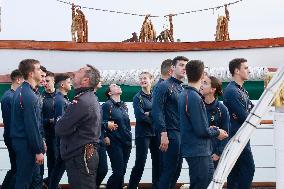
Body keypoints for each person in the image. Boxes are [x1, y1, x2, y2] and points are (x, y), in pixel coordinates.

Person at [178, 60, 228, 189]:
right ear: (201, 76)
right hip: (199, 151)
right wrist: (217, 132)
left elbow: (195, 125)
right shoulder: (194, 97)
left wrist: (209, 129)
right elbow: (201, 130)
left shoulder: (184, 94)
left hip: (195, 150)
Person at [55, 65, 101, 189]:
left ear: (85, 80)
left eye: (79, 71)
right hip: (82, 154)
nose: (74, 72)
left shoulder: (82, 102)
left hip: (80, 156)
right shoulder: (88, 98)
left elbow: (60, 128)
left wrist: (60, 120)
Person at [152, 56, 188, 189]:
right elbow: (157, 110)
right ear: (173, 68)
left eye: (186, 65)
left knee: (176, 171)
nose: (184, 68)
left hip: (180, 133)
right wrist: (163, 133)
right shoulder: (163, 86)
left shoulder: (181, 88)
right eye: (181, 65)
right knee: (168, 171)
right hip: (169, 133)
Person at [10, 59, 45, 189]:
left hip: (22, 142)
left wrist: (40, 143)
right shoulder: (29, 95)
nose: (41, 72)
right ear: (31, 73)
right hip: (26, 144)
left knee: (26, 178)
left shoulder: (22, 90)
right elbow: (32, 126)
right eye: (39, 69)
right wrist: (38, 149)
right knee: (24, 181)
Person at [223, 58, 255, 189]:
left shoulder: (241, 90)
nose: (249, 70)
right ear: (236, 70)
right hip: (237, 136)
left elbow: (252, 110)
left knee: (235, 171)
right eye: (245, 68)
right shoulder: (232, 91)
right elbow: (246, 116)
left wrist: (245, 113)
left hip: (241, 135)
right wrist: (245, 114)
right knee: (248, 168)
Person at [128, 72, 159, 189]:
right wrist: (155, 118)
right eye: (140, 79)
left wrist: (150, 113)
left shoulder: (156, 96)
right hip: (143, 135)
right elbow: (140, 116)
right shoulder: (137, 97)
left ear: (151, 80)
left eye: (145, 78)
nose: (142, 80)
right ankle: (132, 186)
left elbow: (160, 112)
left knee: (158, 162)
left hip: (155, 133)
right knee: (140, 162)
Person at [102, 84, 132, 189]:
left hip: (126, 141)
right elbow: (101, 122)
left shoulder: (124, 105)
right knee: (118, 171)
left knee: (122, 171)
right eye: (114, 86)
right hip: (114, 141)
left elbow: (126, 124)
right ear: (110, 93)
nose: (118, 86)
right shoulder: (107, 105)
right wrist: (105, 136)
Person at [200, 75, 230, 168]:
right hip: (199, 153)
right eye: (201, 82)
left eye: (205, 83)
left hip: (214, 155)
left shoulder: (222, 109)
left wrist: (218, 153)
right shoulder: (197, 106)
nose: (201, 85)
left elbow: (226, 133)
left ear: (213, 89)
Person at [1, 69, 23, 189]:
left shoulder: (11, 96)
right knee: (17, 168)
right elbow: (12, 123)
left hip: (12, 137)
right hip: (13, 138)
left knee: (15, 168)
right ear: (18, 79)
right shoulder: (10, 98)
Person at [49, 74, 72, 189]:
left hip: (64, 139)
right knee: (59, 166)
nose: (71, 84)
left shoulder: (63, 99)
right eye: (68, 82)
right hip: (63, 140)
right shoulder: (59, 100)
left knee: (59, 166)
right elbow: (60, 122)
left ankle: (51, 185)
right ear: (62, 85)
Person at [41, 71, 56, 186]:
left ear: (54, 82)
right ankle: (51, 183)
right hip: (48, 135)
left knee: (59, 162)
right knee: (51, 161)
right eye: (44, 81)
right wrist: (49, 120)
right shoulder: (41, 98)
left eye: (48, 81)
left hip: (61, 135)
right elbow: (37, 119)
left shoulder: (60, 97)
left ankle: (50, 182)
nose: (45, 83)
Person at [95, 79, 109, 188]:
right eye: (99, 79)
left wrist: (104, 135)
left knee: (103, 169)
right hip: (92, 141)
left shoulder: (95, 98)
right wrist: (106, 124)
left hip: (100, 138)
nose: (101, 81)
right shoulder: (86, 98)